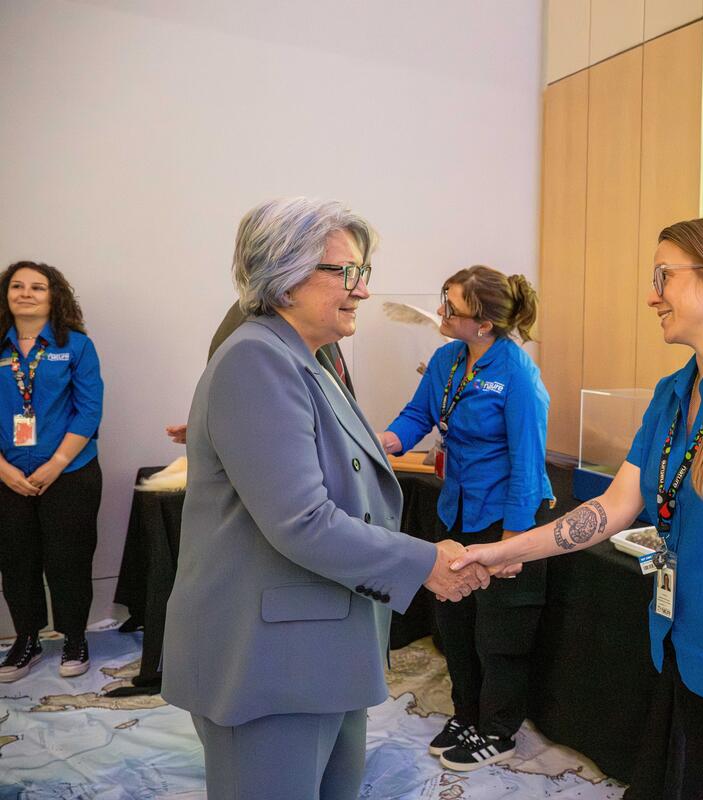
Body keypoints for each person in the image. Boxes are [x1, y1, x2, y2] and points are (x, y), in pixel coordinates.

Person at [452, 217, 703, 799]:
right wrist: (505, 549)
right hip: (685, 646)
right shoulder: (674, 393)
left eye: (663, 276)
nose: (652, 295)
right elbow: (615, 505)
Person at [160, 197, 492, 800]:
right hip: (268, 662)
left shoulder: (304, 359)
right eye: (345, 272)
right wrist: (425, 564)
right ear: (282, 277)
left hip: (317, 650)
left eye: (362, 272)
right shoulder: (258, 358)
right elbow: (302, 521)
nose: (361, 290)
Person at [378, 265, 553, 770]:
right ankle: (467, 714)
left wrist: (515, 541)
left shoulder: (518, 374)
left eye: (451, 307)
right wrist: (387, 441)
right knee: (454, 622)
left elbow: (528, 458)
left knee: (498, 634)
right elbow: (419, 415)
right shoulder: (447, 359)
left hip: (506, 519)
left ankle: (497, 732)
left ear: (484, 323)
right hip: (456, 509)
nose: (440, 312)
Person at [0, 262, 104, 683]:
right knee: (16, 561)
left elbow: (89, 409)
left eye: (37, 287)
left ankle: (75, 638)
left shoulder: (76, 346)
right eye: (17, 286)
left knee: (69, 560)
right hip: (7, 477)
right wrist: (3, 470)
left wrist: (56, 464)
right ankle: (26, 640)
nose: (26, 293)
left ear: (53, 296)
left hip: (70, 473)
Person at [164, 302, 353, 444]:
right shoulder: (253, 324)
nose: (360, 289)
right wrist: (221, 429)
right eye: (342, 270)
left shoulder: (317, 324)